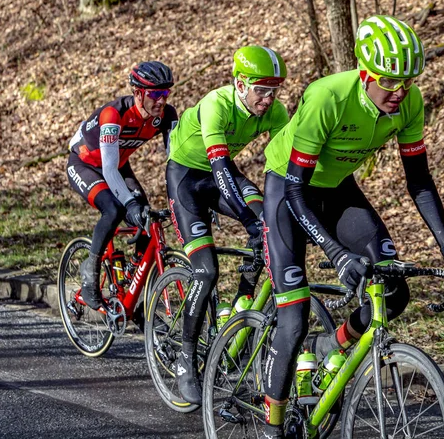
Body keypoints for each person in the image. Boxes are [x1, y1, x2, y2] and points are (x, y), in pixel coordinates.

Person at [260, 16, 444, 438]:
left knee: (393, 288)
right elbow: (296, 191)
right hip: (289, 191)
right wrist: (336, 254)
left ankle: (330, 346)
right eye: (391, 81)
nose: (400, 92)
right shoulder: (328, 97)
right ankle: (272, 425)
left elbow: (420, 181)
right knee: (293, 316)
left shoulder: (409, 103)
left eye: (408, 81)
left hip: (339, 189)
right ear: (365, 73)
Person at [166, 45, 289, 405]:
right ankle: (186, 360)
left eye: (273, 91)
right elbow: (220, 172)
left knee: (269, 223)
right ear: (239, 84)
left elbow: (286, 167)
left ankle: (240, 307)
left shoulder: (275, 111)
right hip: (188, 180)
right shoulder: (216, 105)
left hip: (224, 175)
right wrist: (249, 222)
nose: (268, 100)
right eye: (260, 90)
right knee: (205, 270)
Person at [67, 61, 178, 311]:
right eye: (155, 94)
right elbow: (107, 170)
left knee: (147, 217)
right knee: (115, 210)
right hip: (86, 165)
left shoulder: (167, 115)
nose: (161, 101)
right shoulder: (113, 115)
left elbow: (176, 160)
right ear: (138, 93)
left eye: (165, 94)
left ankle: (133, 283)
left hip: (118, 164)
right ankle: (90, 274)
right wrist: (128, 203)